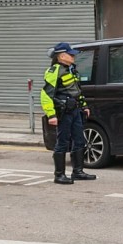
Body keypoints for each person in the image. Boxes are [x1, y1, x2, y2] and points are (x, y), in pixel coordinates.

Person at [41, 42, 96, 185]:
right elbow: (46, 95)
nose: (73, 56)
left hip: (75, 110)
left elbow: (76, 91)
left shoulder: (71, 69)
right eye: (70, 54)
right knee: (63, 142)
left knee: (79, 140)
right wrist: (51, 115)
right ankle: (59, 175)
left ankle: (78, 172)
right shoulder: (54, 71)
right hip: (64, 112)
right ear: (61, 56)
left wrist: (84, 106)